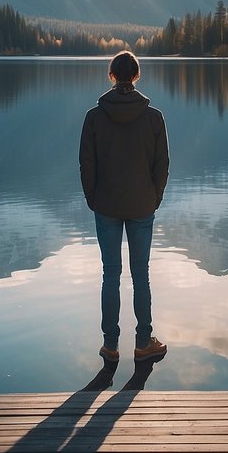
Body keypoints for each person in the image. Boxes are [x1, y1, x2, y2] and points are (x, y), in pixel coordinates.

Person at [79, 51, 169, 363]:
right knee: (140, 274)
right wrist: (154, 198)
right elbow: (162, 165)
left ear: (112, 76)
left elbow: (86, 163)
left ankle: (110, 345)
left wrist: (93, 198)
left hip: (105, 204)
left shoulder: (94, 116)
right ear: (137, 75)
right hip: (142, 204)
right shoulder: (154, 117)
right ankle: (144, 342)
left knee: (110, 274)